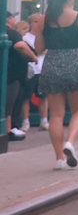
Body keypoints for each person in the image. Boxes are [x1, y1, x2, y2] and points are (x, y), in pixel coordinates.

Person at [35, 0, 78, 169]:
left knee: (56, 115)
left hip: (52, 63)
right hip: (74, 62)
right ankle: (70, 142)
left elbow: (38, 49)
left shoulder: (43, 20)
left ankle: (59, 159)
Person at [4, 12, 37, 142]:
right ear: (8, 19)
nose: (15, 19)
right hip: (12, 75)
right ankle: (8, 131)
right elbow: (20, 45)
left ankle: (9, 130)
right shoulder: (11, 33)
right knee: (10, 103)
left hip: (10, 74)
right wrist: (33, 57)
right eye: (12, 16)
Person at [20, 13, 49, 132]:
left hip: (42, 69)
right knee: (26, 97)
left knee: (43, 96)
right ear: (31, 23)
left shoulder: (45, 36)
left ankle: (44, 121)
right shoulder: (25, 37)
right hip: (30, 69)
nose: (38, 24)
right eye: (36, 22)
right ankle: (25, 122)